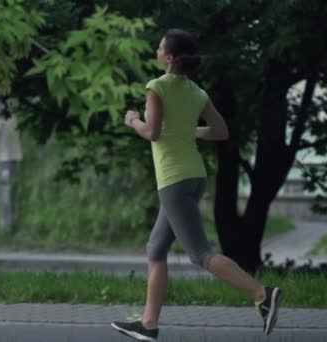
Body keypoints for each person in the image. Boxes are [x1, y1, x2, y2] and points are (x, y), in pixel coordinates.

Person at [110, 28, 281, 341]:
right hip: (195, 177)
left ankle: (262, 294)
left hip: (174, 180)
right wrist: (188, 130)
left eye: (160, 47)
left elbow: (151, 132)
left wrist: (132, 119)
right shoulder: (196, 92)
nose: (157, 49)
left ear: (170, 58)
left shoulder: (156, 86)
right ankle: (148, 325)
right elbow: (220, 131)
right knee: (156, 248)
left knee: (200, 254)